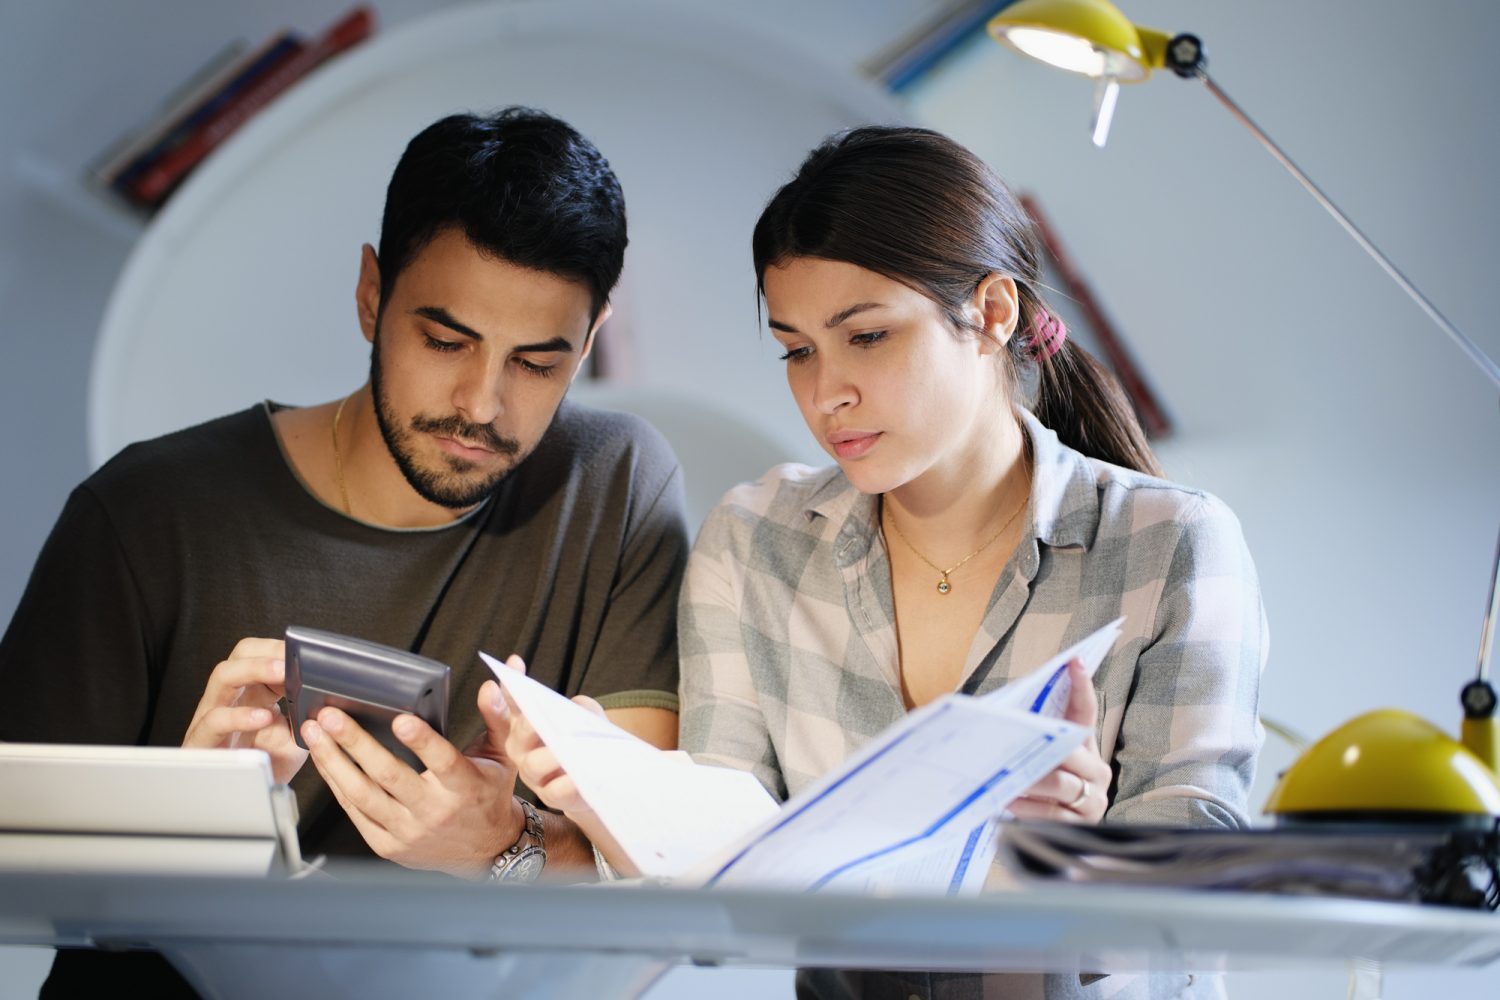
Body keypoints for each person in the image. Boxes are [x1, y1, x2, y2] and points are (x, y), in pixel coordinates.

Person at [508, 126, 1266, 1000]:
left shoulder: (1172, 545)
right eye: (797, 350)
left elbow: (1195, 916)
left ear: (992, 313)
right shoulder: (757, 540)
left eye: (866, 336)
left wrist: (1071, 858)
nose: (826, 392)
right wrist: (612, 792)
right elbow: (723, 877)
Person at [0, 107, 686, 995]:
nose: (483, 404)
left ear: (589, 346)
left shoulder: (615, 485)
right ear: (372, 295)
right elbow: (21, 874)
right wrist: (186, 820)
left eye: (537, 363)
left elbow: (653, 875)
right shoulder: (145, 514)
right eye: (445, 341)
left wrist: (500, 847)